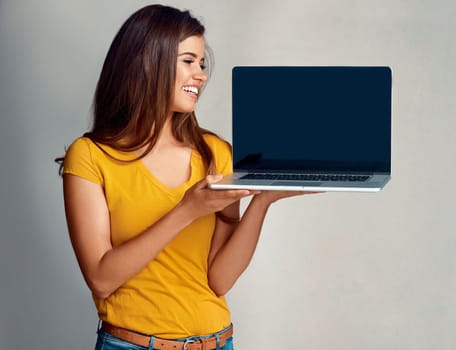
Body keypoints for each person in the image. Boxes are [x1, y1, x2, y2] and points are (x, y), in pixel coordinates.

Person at [58, 4, 314, 350]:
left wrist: (262, 201)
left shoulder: (215, 153)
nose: (201, 74)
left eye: (202, 64)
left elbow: (219, 280)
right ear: (149, 63)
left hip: (217, 342)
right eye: (189, 61)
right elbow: (102, 279)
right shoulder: (90, 156)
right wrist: (188, 209)